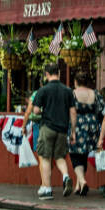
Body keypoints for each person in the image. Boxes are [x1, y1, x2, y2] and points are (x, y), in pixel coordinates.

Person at [28, 63, 77, 200]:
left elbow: (36, 110)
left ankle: (47, 189)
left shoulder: (43, 91)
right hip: (62, 129)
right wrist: (72, 131)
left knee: (45, 157)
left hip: (47, 127)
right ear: (59, 74)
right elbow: (73, 112)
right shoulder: (68, 91)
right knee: (60, 156)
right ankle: (66, 176)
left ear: (46, 75)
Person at [68, 72, 103, 197]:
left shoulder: (72, 93)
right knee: (84, 154)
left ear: (76, 82)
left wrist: (72, 130)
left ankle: (82, 181)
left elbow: (69, 110)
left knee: (75, 154)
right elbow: (101, 111)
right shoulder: (95, 93)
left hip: (77, 125)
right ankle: (78, 186)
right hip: (92, 125)